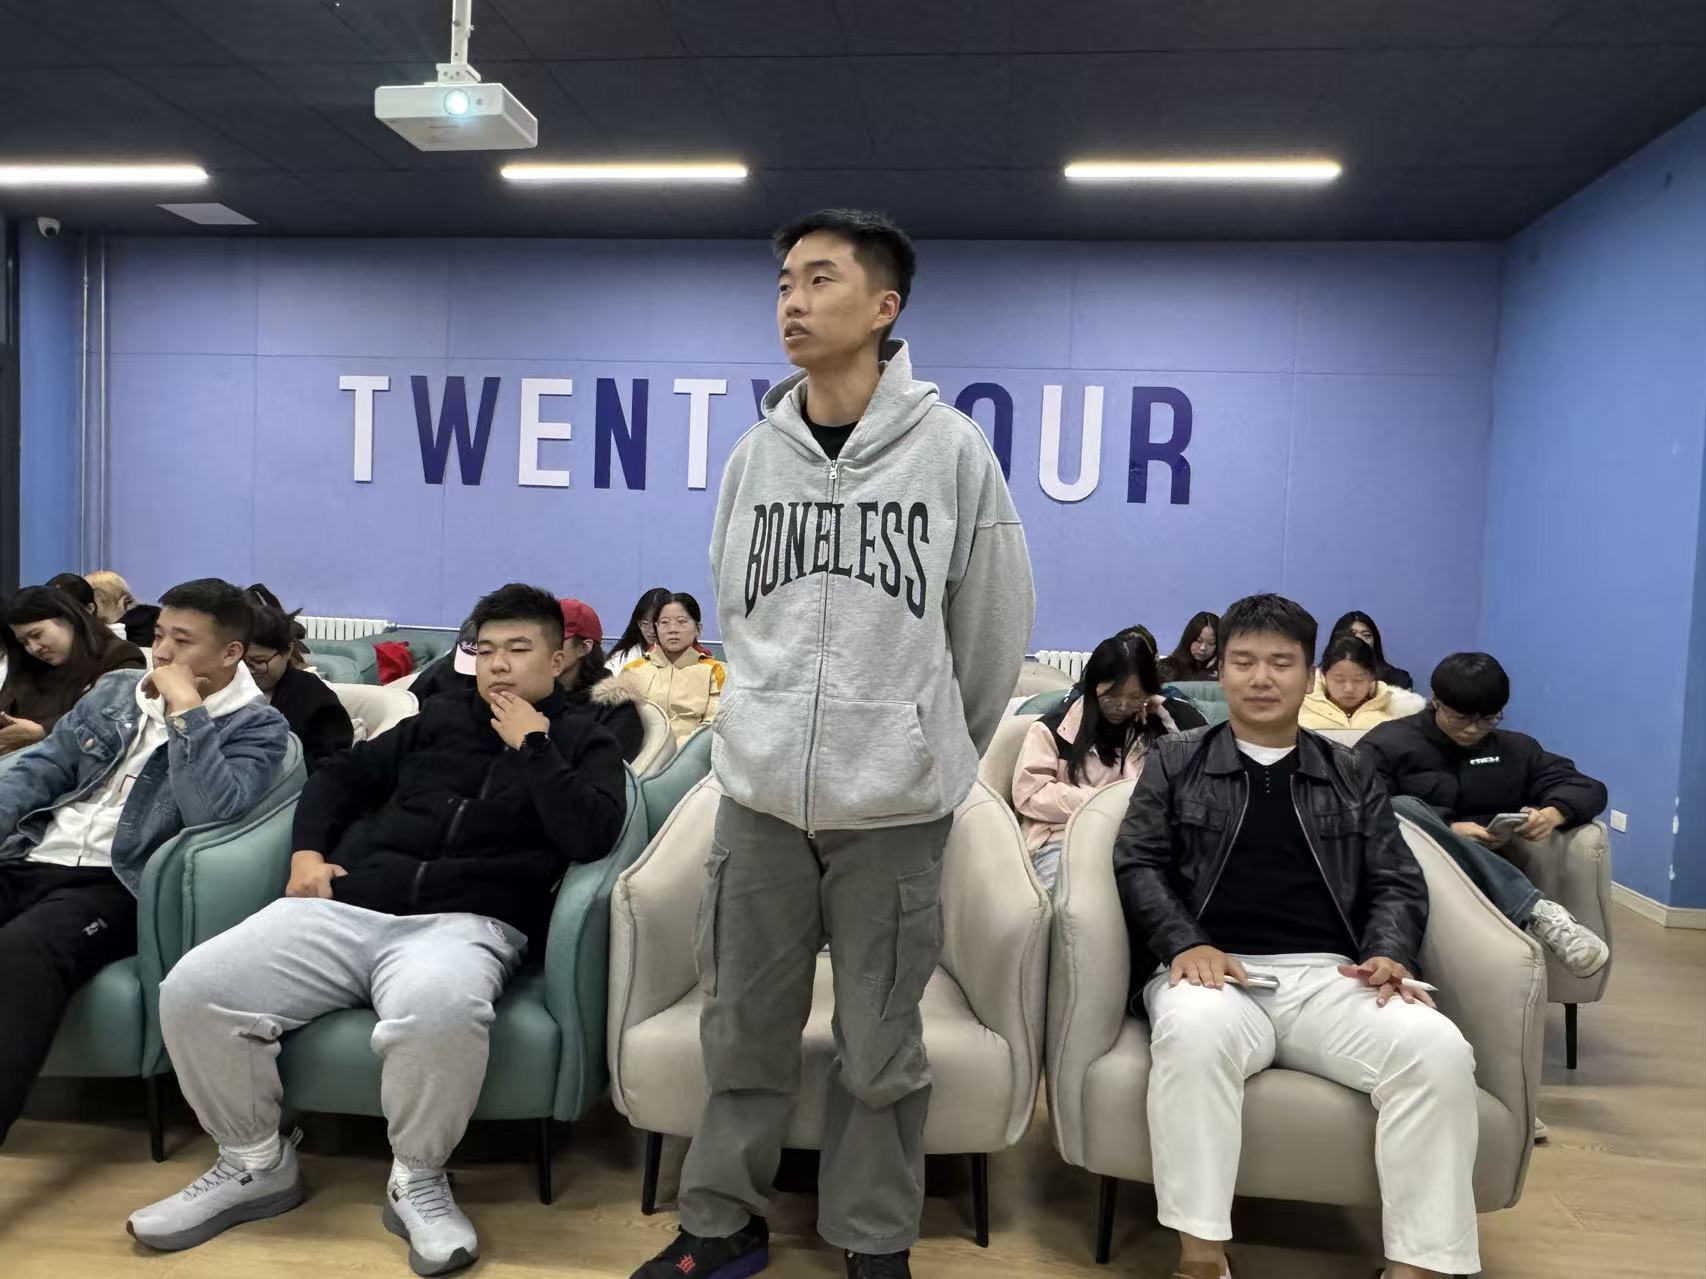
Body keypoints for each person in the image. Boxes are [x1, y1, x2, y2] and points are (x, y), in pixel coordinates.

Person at [630, 208, 1034, 1279]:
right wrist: (759, 729)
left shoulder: (952, 452)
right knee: (740, 1024)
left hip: (894, 813)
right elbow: (736, 610)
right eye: (783, 284)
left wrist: (927, 750)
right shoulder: (753, 456)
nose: (792, 303)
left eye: (819, 280)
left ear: (884, 306)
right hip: (759, 801)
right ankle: (721, 1223)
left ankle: (872, 1234)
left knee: (880, 1038)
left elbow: (993, 630)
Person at [127, 583, 627, 1272]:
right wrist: (307, 854)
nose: (498, 665)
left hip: (465, 922)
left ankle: (417, 1176)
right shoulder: (436, 721)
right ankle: (254, 1162)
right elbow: (337, 779)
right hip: (351, 903)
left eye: (519, 649)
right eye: (486, 649)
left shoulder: (584, 739)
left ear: (560, 657)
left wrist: (534, 747)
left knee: (440, 1009)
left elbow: (592, 834)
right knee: (196, 987)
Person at [1113, 593, 1475, 1279]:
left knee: (1438, 1050)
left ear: (1308, 676)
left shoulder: (1351, 770)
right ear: (1221, 671)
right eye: (1244, 661)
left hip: (1330, 978)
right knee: (1193, 1035)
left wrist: (1389, 951)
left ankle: (1419, 1266)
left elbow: (1396, 879)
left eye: (1280, 663)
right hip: (1213, 971)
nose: (1261, 678)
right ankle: (1200, 1259)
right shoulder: (1176, 760)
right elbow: (1139, 861)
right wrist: (1183, 942)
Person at [0, 578, 289, 1146]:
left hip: (115, 881)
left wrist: (187, 712)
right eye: (159, 635)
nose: (162, 652)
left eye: (183, 641)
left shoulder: (257, 726)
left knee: (22, 949)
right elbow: (43, 768)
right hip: (33, 852)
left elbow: (210, 813)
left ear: (230, 653)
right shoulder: (116, 690)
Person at [1358, 651, 1610, 977]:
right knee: (1401, 807)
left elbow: (1588, 788)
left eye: (1488, 719)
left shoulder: (1515, 749)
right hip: (1411, 871)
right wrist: (1448, 828)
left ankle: (1533, 910)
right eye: (1460, 718)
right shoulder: (1388, 743)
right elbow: (1358, 804)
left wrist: (1554, 812)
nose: (1473, 729)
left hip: (1493, 871)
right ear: (1436, 701)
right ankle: (1536, 910)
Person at [1013, 633, 1202, 890]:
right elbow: (1030, 794)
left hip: (1134, 842)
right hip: (1064, 839)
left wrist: (1161, 705)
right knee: (1074, 894)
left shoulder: (1149, 726)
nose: (1122, 706)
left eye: (1135, 697)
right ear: (1093, 687)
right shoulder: (1054, 729)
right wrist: (1104, 804)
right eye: (1112, 696)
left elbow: (1201, 749)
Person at [1, 586, 146, 754]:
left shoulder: (119, 657)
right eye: (24, 642)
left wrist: (44, 731)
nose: (33, 648)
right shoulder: (29, 665)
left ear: (68, 618)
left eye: (36, 635)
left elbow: (105, 722)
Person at [246, 602, 354, 773]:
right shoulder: (226, 686)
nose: (249, 671)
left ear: (288, 651)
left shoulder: (315, 699)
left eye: (259, 661)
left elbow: (331, 769)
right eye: (241, 662)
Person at [616, 592, 725, 745]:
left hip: (693, 755)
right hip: (641, 754)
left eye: (682, 622)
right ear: (656, 627)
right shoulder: (633, 670)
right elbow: (621, 722)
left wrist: (678, 754)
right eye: (665, 622)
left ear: (698, 629)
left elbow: (713, 727)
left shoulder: (715, 671)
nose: (673, 629)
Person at [555, 598, 645, 762]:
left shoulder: (615, 706)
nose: (545, 648)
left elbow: (605, 768)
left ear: (584, 647)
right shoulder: (535, 695)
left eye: (556, 639)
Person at [1298, 634, 1418, 732]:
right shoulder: (1299, 711)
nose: (1349, 689)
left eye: (1358, 680)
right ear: (1324, 675)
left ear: (1372, 677)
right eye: (1339, 680)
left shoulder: (1401, 714)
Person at [1329, 610, 1412, 690]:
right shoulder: (1324, 678)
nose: (1360, 639)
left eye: (1366, 635)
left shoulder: (1397, 679)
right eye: (1352, 634)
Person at [609, 586, 672, 669]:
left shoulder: (684, 658)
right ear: (638, 623)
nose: (652, 631)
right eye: (645, 623)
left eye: (658, 623)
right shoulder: (622, 658)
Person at [1158, 611, 1220, 683]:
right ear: (1188, 638)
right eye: (1198, 641)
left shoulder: (1223, 672)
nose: (1203, 648)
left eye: (1211, 643)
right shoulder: (1167, 668)